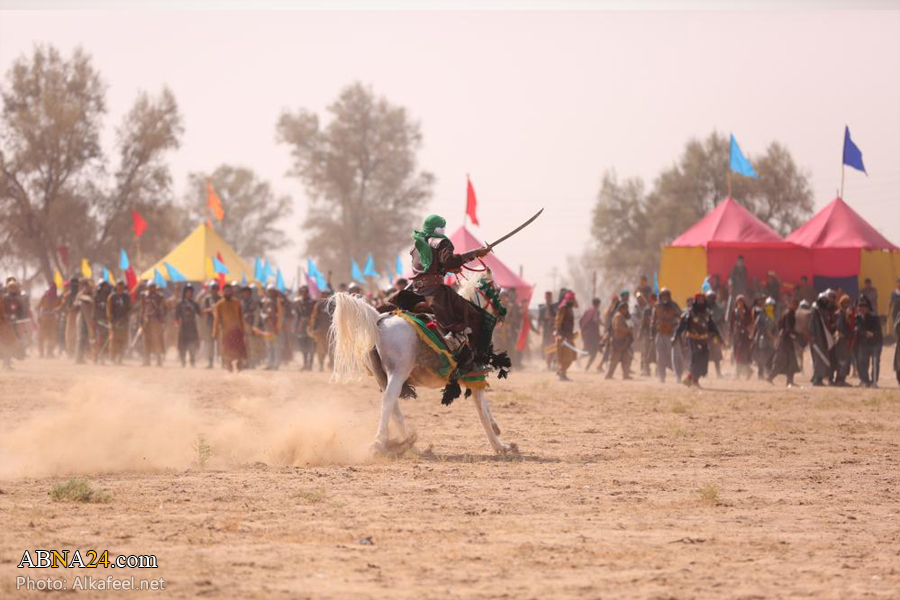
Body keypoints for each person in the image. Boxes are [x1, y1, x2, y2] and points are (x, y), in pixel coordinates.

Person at [409, 215, 490, 365]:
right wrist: (476, 253)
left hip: (415, 291)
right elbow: (449, 261)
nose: (444, 230)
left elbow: (431, 266)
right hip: (434, 291)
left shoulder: (416, 245)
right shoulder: (442, 242)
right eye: (442, 226)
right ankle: (472, 361)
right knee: (474, 315)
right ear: (437, 228)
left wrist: (451, 267)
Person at [673, 293, 722, 388]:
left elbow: (712, 326)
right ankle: (694, 381)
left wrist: (719, 337)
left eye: (702, 299)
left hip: (704, 340)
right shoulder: (690, 313)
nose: (701, 301)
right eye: (699, 300)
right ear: (696, 301)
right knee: (697, 359)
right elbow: (681, 326)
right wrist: (675, 336)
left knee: (704, 360)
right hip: (693, 339)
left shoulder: (707, 313)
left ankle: (691, 379)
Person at [213, 282, 247, 372]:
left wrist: (243, 330)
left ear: (232, 292)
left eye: (230, 290)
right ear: (223, 292)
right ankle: (230, 371)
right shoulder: (219, 304)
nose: (228, 292)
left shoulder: (237, 303)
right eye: (226, 291)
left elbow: (241, 317)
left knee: (239, 352)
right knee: (227, 352)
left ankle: (240, 370)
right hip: (226, 332)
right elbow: (217, 320)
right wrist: (215, 332)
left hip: (237, 330)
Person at [768, 297, 801, 387]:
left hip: (786, 340)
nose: (795, 306)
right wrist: (798, 335)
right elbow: (788, 328)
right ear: (790, 304)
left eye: (796, 305)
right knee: (780, 360)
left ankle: (790, 381)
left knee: (791, 360)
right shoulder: (788, 314)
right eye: (794, 304)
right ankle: (769, 377)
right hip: (784, 340)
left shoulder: (788, 313)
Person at [651, 288, 681, 383]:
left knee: (675, 356)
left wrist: (677, 327)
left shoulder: (674, 306)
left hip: (671, 335)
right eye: (663, 295)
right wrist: (651, 333)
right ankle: (662, 377)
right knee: (660, 357)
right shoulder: (656, 306)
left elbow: (681, 316)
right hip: (660, 334)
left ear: (669, 296)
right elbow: (653, 321)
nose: (664, 298)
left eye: (666, 295)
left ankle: (678, 377)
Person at [808, 292, 836, 386]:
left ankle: (819, 378)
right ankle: (817, 379)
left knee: (823, 359)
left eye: (825, 300)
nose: (824, 301)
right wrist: (813, 337)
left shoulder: (824, 310)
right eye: (823, 300)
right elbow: (811, 324)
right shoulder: (815, 311)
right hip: (817, 338)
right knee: (818, 359)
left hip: (824, 339)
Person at [855, 296, 882, 387]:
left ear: (868, 307)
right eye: (859, 306)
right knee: (862, 362)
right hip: (863, 343)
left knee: (875, 362)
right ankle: (864, 380)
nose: (861, 308)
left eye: (864, 306)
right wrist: (864, 333)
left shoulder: (874, 317)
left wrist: (872, 334)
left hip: (875, 342)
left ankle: (874, 381)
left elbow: (878, 330)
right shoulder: (856, 318)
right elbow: (857, 329)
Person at [174, 284, 201, 367]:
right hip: (183, 326)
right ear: (184, 293)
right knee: (182, 345)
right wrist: (176, 323)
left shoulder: (195, 304)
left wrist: (209, 310)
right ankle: (183, 361)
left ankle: (192, 361)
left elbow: (200, 313)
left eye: (190, 292)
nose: (189, 293)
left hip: (192, 326)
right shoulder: (180, 303)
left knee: (193, 344)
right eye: (187, 292)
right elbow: (176, 316)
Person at [606, 301, 634, 380]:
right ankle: (609, 375)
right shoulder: (618, 316)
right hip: (618, 341)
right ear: (622, 309)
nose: (626, 311)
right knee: (614, 359)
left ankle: (626, 375)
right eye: (625, 309)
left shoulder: (621, 316)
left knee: (626, 358)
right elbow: (618, 328)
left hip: (623, 341)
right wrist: (628, 330)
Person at [141, 282, 166, 367]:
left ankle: (158, 360)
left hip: (155, 320)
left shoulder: (159, 297)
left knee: (156, 340)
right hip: (147, 320)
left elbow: (162, 308)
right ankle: (146, 360)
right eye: (150, 287)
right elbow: (143, 308)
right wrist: (142, 319)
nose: (152, 288)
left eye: (153, 287)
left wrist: (162, 321)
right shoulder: (144, 296)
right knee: (146, 340)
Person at [257, 284, 283, 370]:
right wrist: (264, 316)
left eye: (273, 291)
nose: (271, 293)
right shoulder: (264, 301)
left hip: (276, 325)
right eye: (270, 291)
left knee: (276, 346)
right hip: (267, 326)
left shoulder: (278, 301)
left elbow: (281, 313)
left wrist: (277, 323)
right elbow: (261, 312)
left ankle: (276, 364)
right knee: (268, 346)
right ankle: (269, 363)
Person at [751, 298, 777, 380]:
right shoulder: (761, 315)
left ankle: (768, 373)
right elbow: (758, 325)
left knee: (770, 355)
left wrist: (774, 336)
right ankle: (760, 374)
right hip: (762, 338)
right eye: (769, 306)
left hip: (771, 339)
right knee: (761, 357)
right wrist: (766, 332)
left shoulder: (774, 315)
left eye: (771, 306)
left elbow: (775, 327)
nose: (770, 307)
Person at [554, 291, 577, 381]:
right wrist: (559, 334)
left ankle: (561, 371)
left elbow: (576, 305)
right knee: (565, 356)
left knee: (572, 356)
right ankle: (562, 375)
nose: (573, 301)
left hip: (569, 336)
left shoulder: (570, 308)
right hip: (563, 337)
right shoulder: (563, 308)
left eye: (573, 299)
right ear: (568, 300)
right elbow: (558, 322)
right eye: (571, 299)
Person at [106, 281, 131, 365]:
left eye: (122, 286)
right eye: (119, 286)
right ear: (116, 287)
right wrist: (112, 321)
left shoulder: (126, 297)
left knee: (123, 340)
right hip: (114, 322)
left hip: (123, 322)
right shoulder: (112, 297)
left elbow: (129, 308)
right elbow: (109, 310)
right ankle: (113, 358)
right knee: (113, 341)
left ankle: (120, 358)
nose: (120, 288)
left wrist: (125, 318)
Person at [832, 295, 855, 387]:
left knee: (843, 360)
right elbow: (841, 328)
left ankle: (840, 379)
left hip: (843, 338)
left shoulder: (844, 313)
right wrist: (849, 335)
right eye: (845, 302)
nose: (847, 304)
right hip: (842, 339)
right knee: (843, 360)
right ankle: (840, 379)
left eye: (848, 302)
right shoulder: (841, 314)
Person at [730, 295, 754, 379]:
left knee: (741, 354)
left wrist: (742, 315)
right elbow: (731, 324)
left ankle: (738, 374)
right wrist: (730, 334)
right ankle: (748, 371)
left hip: (744, 336)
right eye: (738, 301)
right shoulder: (734, 311)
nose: (740, 303)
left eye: (741, 301)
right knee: (737, 354)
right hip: (737, 335)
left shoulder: (747, 311)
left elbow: (750, 322)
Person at [309, 288, 333, 371]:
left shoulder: (333, 305)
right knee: (320, 349)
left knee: (332, 349)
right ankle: (321, 365)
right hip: (320, 331)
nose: (325, 295)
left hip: (331, 331)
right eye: (323, 294)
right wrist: (313, 328)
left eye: (326, 294)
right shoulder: (318, 305)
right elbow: (314, 317)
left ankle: (331, 365)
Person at [294, 285, 317, 371]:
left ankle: (310, 365)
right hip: (301, 327)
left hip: (311, 326)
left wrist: (311, 322)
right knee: (303, 347)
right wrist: (296, 327)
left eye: (305, 292)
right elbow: (297, 316)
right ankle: (305, 364)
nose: (303, 294)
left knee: (311, 346)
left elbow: (315, 315)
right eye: (302, 292)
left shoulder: (312, 302)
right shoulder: (298, 303)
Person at [199, 281, 221, 369]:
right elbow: (203, 311)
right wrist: (211, 309)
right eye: (213, 289)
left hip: (219, 323)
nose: (214, 291)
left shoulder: (221, 299)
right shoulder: (207, 299)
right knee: (209, 343)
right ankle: (210, 362)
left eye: (216, 289)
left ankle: (223, 361)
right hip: (209, 323)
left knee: (220, 342)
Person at [37, 284, 60, 358]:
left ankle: (47, 352)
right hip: (47, 319)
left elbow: (38, 307)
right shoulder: (47, 297)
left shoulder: (55, 297)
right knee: (45, 336)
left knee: (50, 336)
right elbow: (38, 307)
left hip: (50, 319)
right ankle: (44, 353)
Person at [579, 297, 603, 371]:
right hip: (592, 334)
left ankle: (580, 360)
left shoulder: (588, 310)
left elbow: (581, 321)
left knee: (589, 350)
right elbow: (595, 319)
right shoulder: (596, 311)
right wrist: (603, 324)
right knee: (594, 351)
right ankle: (587, 366)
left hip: (585, 333)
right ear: (598, 304)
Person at [706, 290, 725, 377]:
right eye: (709, 298)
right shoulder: (704, 309)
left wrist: (723, 333)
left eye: (712, 298)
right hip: (705, 334)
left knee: (716, 353)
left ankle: (718, 373)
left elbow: (721, 321)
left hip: (715, 334)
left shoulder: (719, 308)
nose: (711, 299)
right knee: (705, 353)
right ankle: (704, 372)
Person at [538, 291, 558, 370]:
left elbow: (558, 318)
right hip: (546, 331)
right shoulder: (542, 309)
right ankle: (548, 365)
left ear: (551, 298)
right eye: (547, 298)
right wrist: (538, 328)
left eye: (549, 298)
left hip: (554, 331)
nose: (548, 300)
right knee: (547, 348)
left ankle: (554, 364)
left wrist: (552, 319)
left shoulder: (555, 307)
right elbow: (540, 319)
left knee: (555, 348)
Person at [638, 293, 657, 376]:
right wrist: (640, 333)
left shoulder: (658, 309)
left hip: (656, 333)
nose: (653, 303)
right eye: (652, 301)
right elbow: (643, 323)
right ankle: (646, 370)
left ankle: (658, 370)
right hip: (646, 333)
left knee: (657, 352)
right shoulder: (646, 310)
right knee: (645, 352)